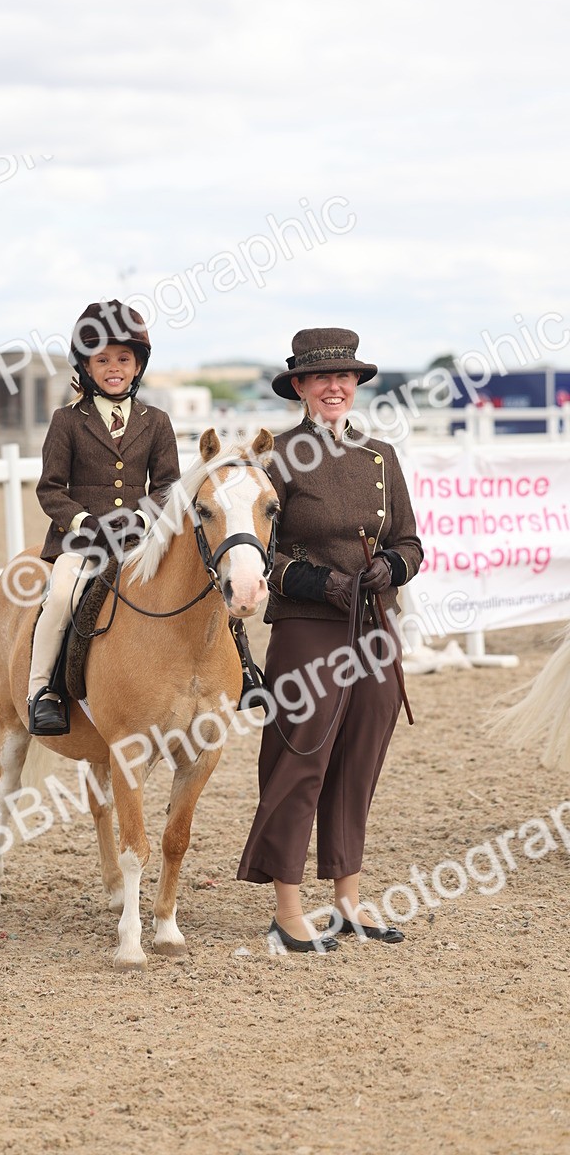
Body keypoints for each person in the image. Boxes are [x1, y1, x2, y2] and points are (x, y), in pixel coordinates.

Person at [236, 327, 423, 951]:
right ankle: (288, 908)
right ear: (300, 388)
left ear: (357, 385)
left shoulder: (381, 456)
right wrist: (319, 582)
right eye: (322, 378)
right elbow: (265, 550)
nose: (335, 387)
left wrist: (389, 569)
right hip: (307, 627)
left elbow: (410, 543)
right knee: (302, 757)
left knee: (359, 760)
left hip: (374, 627)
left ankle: (347, 900)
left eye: (344, 377)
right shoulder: (277, 457)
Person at [27, 300, 180, 736]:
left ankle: (239, 669)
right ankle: (44, 691)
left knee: (197, 577)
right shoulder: (67, 421)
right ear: (87, 367)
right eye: (103, 360)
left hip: (140, 539)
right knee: (61, 598)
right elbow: (50, 489)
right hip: (80, 542)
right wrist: (84, 523)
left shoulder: (157, 422)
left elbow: (167, 485)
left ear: (137, 366)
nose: (114, 367)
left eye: (123, 359)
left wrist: (142, 520)